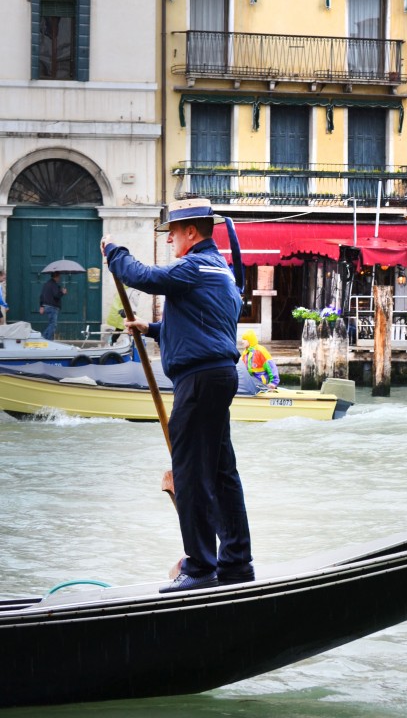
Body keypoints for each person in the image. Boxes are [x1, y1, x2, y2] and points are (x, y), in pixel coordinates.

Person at [101, 198, 254, 593]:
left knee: (189, 473)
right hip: (218, 376)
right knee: (221, 473)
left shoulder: (194, 266)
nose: (169, 238)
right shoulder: (217, 269)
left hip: (200, 381)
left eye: (172, 232)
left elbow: (144, 276)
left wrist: (115, 253)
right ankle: (236, 562)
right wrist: (151, 328)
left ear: (191, 232)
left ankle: (201, 567)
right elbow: (202, 323)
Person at [39, 272, 67, 341]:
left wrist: (41, 306)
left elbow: (41, 296)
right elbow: (56, 296)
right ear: (56, 276)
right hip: (52, 307)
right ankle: (46, 339)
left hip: (46, 306)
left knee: (51, 324)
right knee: (53, 325)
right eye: (59, 276)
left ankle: (44, 339)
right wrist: (62, 292)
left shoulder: (46, 284)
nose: (59, 278)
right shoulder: (54, 285)